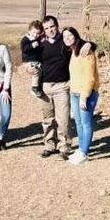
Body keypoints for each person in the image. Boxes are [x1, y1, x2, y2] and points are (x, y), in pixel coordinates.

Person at [38, 15, 92, 161]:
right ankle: (49, 145)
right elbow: (28, 54)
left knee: (63, 119)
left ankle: (65, 146)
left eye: (52, 27)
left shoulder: (64, 40)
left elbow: (80, 43)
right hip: (45, 86)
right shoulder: (40, 43)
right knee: (47, 119)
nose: (50, 30)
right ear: (44, 30)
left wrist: (90, 45)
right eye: (47, 28)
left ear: (57, 26)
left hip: (62, 85)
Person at [62, 27, 100, 165]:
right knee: (78, 123)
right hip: (74, 93)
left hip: (87, 94)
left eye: (70, 35)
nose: (67, 38)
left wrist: (84, 96)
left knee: (86, 123)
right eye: (64, 36)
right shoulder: (72, 51)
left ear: (76, 36)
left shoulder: (86, 51)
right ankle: (81, 149)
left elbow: (90, 78)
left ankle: (84, 153)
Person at [20, 20, 44, 98]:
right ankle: (34, 87)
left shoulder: (38, 39)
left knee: (41, 71)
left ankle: (39, 86)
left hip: (37, 61)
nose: (35, 35)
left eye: (38, 33)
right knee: (36, 71)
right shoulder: (25, 39)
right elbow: (23, 49)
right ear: (29, 30)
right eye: (34, 32)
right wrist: (31, 46)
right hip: (29, 61)